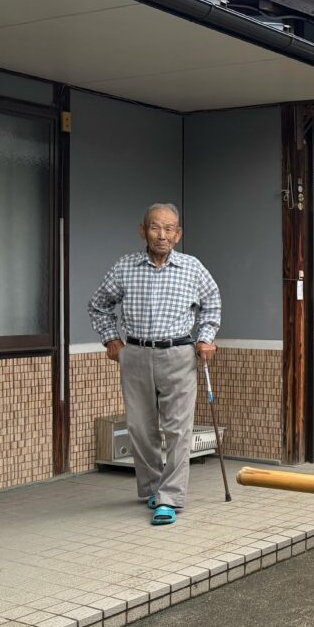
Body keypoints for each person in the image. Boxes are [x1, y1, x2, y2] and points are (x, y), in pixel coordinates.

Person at [88, 203, 221, 527]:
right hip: (135, 354)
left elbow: (212, 306)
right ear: (142, 230)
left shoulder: (192, 268)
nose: (162, 235)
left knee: (177, 430)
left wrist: (205, 338)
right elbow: (98, 305)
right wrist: (111, 340)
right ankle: (151, 487)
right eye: (155, 227)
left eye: (169, 228)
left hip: (178, 354)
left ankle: (170, 497)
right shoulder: (125, 267)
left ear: (178, 234)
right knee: (140, 428)